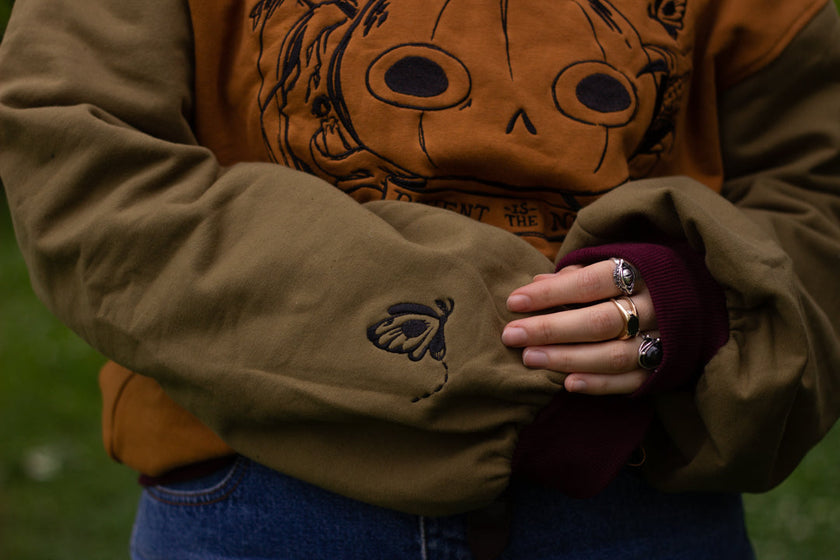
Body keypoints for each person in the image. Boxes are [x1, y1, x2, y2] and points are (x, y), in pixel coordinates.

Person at [1, 0, 838, 558]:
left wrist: (700, 299)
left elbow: (817, 184)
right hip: (265, 494)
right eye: (414, 76)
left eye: (595, 96)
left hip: (633, 500)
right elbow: (81, 154)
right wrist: (509, 356)